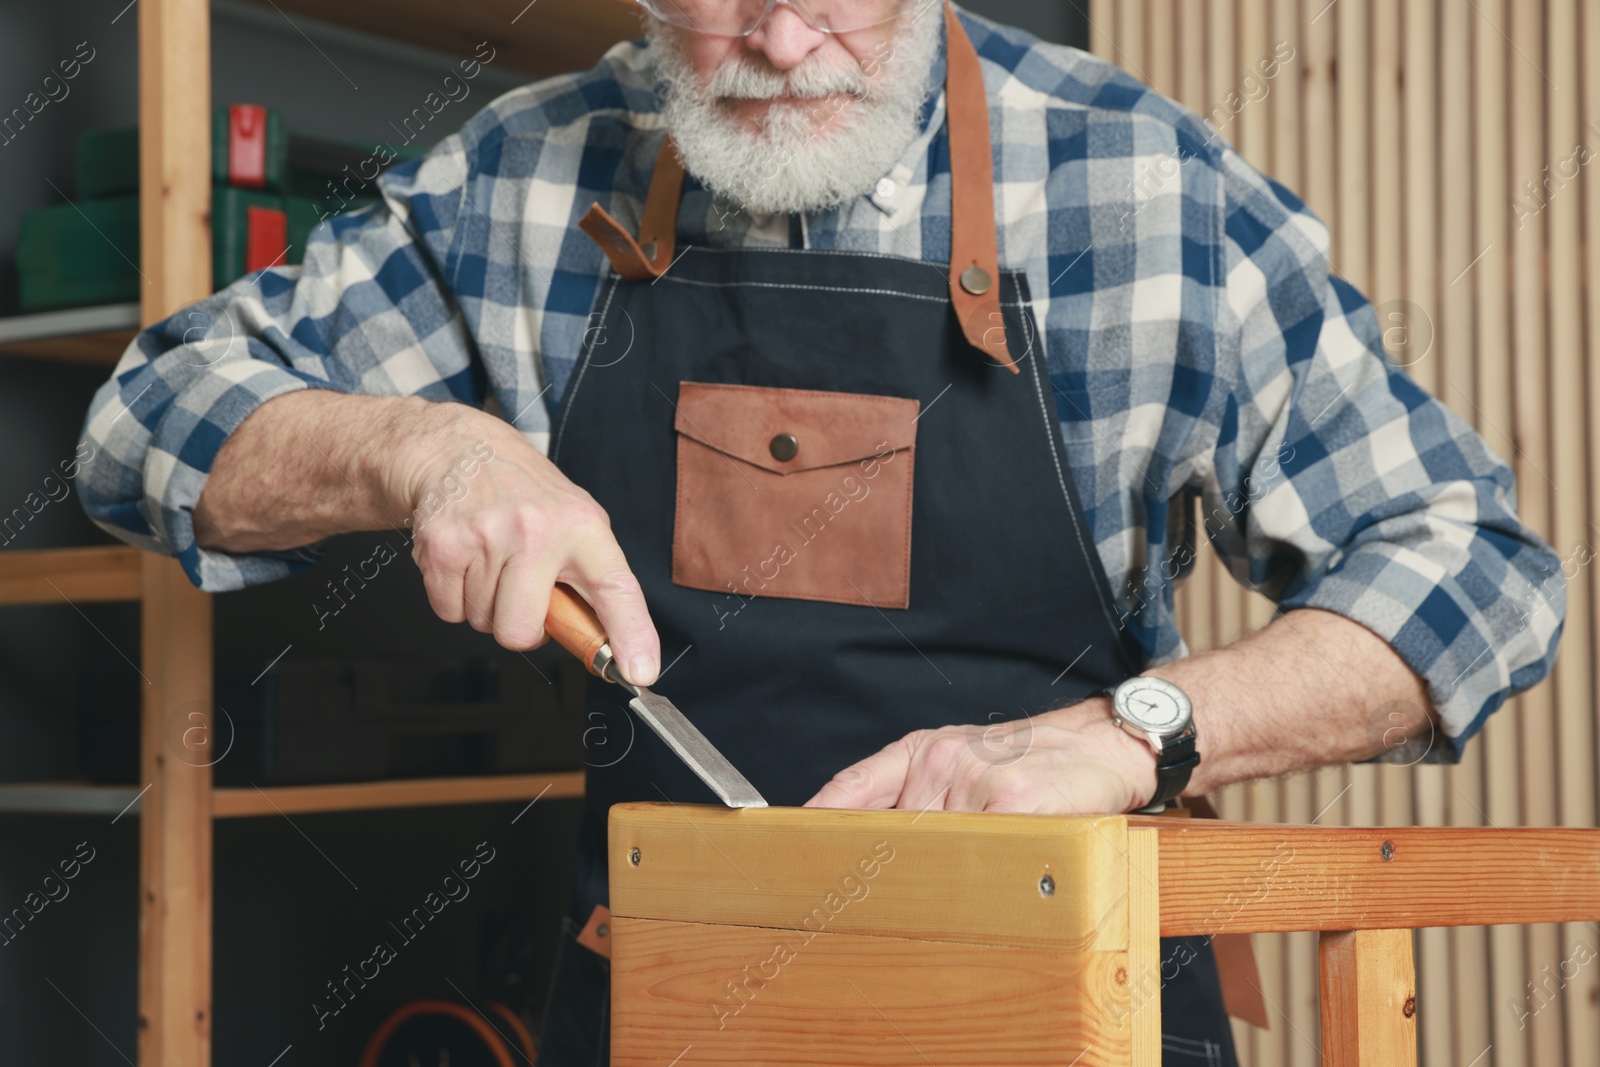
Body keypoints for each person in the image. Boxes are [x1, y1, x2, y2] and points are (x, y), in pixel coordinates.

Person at [78, 1, 1565, 1063]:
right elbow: (143, 423)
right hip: (671, 1003)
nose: (782, 44)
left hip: (1072, 1004)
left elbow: (1477, 570)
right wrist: (425, 446)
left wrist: (1133, 734)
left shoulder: (1141, 185)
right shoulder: (521, 182)